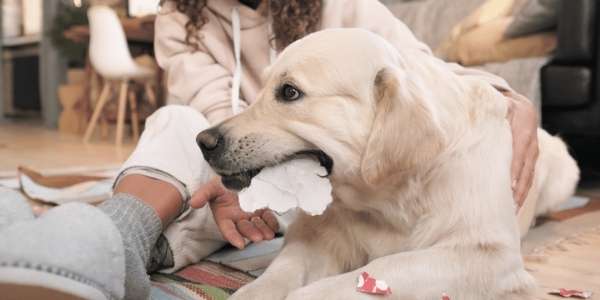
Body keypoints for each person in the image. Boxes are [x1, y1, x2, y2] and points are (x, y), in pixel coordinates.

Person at [0, 0, 539, 299]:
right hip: (235, 172)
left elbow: (419, 72)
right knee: (176, 119)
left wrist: (509, 100)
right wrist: (231, 187)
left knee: (198, 183)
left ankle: (91, 246)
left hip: (324, 181)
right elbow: (216, 116)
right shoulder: (178, 19)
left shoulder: (346, 8)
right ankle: (114, 235)